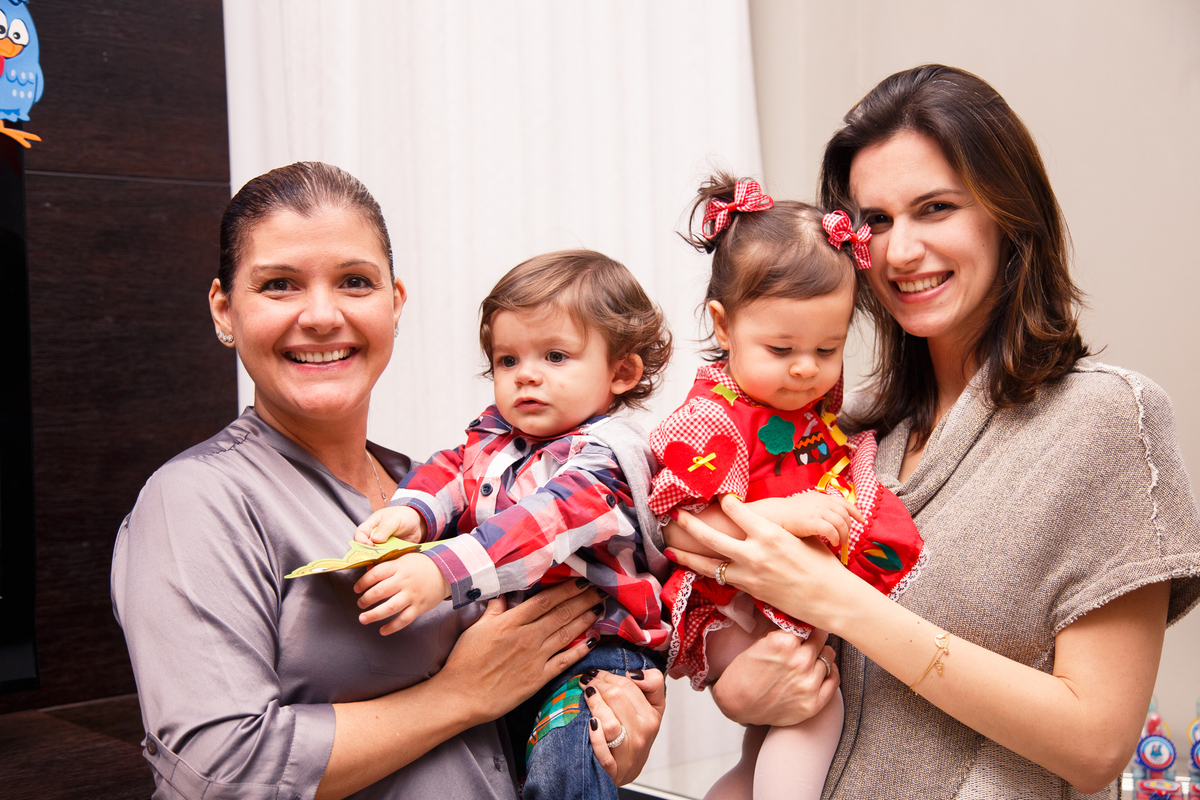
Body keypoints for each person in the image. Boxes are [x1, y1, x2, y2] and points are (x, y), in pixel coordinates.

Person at [664, 64, 1200, 799]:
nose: (900, 251)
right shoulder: (843, 432)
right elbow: (699, 546)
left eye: (936, 208)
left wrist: (839, 600)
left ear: (1009, 213)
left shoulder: (1106, 420)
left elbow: (1096, 743)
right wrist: (743, 692)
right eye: (876, 221)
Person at [110, 162, 665, 800]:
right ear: (224, 309)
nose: (323, 316)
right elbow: (221, 772)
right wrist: (458, 696)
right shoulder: (195, 501)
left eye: (354, 281)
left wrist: (601, 730)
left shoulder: (439, 489)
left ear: (394, 303)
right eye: (280, 285)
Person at [351, 249, 673, 800]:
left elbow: (540, 525)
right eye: (507, 360)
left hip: (595, 653)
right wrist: (413, 511)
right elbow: (453, 469)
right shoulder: (497, 437)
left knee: (563, 774)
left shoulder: (608, 459)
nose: (526, 374)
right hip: (519, 649)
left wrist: (438, 572)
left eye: (555, 355)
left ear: (621, 372)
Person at [646, 174, 923, 800]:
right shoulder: (714, 415)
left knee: (759, 756)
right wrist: (786, 514)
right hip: (729, 609)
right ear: (723, 326)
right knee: (817, 710)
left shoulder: (809, 411)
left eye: (828, 348)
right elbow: (682, 528)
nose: (805, 368)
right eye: (780, 348)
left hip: (774, 606)